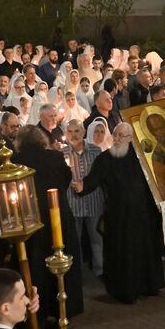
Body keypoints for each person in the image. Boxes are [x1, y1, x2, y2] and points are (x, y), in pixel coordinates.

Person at [73, 122, 165, 303]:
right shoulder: (105, 159)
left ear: (130, 139)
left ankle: (149, 285)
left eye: (121, 136)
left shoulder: (141, 157)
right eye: (115, 135)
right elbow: (93, 180)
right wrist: (81, 187)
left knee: (144, 249)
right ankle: (125, 291)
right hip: (118, 215)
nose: (116, 139)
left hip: (143, 214)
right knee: (123, 252)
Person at [11, 126, 84, 320]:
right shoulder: (55, 157)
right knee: (62, 259)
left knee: (37, 265)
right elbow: (66, 178)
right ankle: (64, 310)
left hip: (30, 219)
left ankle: (40, 314)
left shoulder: (15, 161)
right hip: (57, 215)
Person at [62, 119, 105, 277]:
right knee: (75, 240)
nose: (74, 135)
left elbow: (99, 175)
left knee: (96, 238)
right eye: (70, 131)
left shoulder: (95, 151)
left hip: (93, 201)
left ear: (84, 132)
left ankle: (100, 270)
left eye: (77, 131)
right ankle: (76, 272)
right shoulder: (62, 153)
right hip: (73, 203)